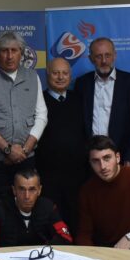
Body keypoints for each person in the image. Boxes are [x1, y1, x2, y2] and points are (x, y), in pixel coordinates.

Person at [0, 31, 47, 215]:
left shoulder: (32, 76)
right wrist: (7, 150)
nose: (10, 55)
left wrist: (24, 150)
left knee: (27, 208)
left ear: (21, 53)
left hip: (26, 159)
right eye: (4, 51)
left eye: (14, 50)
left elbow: (41, 115)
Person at [72, 37, 130, 165]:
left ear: (114, 55)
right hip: (90, 159)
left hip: (122, 158)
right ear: (91, 58)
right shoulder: (82, 83)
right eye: (98, 56)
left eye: (108, 55)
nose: (104, 61)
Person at [35, 57, 87, 227]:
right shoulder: (38, 101)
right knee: (52, 220)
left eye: (64, 73)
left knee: (77, 218)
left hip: (78, 175)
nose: (60, 77)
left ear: (70, 76)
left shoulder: (80, 100)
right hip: (48, 175)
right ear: (47, 75)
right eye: (55, 73)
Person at [0, 168, 73, 248]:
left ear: (39, 190)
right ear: (14, 190)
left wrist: (43, 251)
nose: (27, 196)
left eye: (32, 189)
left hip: (41, 259)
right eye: (21, 189)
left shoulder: (48, 207)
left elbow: (65, 237)